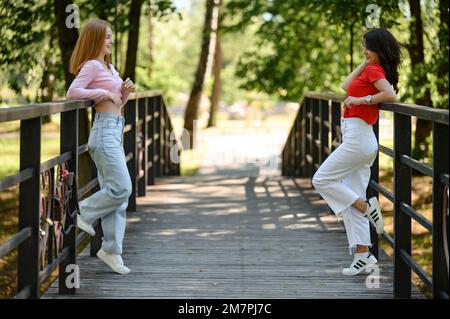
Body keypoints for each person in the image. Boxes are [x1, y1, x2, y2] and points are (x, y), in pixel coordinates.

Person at [312, 28, 401, 275]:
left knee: (321, 179)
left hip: (358, 139)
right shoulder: (371, 68)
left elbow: (390, 95)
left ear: (379, 50)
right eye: (363, 46)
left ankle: (366, 207)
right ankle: (363, 256)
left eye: (368, 47)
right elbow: (345, 85)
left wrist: (362, 101)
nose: (364, 51)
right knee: (350, 195)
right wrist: (364, 61)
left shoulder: (375, 70)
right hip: (361, 139)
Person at [67, 18, 135, 275]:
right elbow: (73, 92)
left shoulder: (109, 67)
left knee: (117, 197)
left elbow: (118, 102)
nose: (111, 41)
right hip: (104, 133)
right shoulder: (92, 66)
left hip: (114, 129)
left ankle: (111, 251)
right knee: (122, 188)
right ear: (95, 39)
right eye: (106, 37)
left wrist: (124, 92)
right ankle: (82, 210)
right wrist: (102, 94)